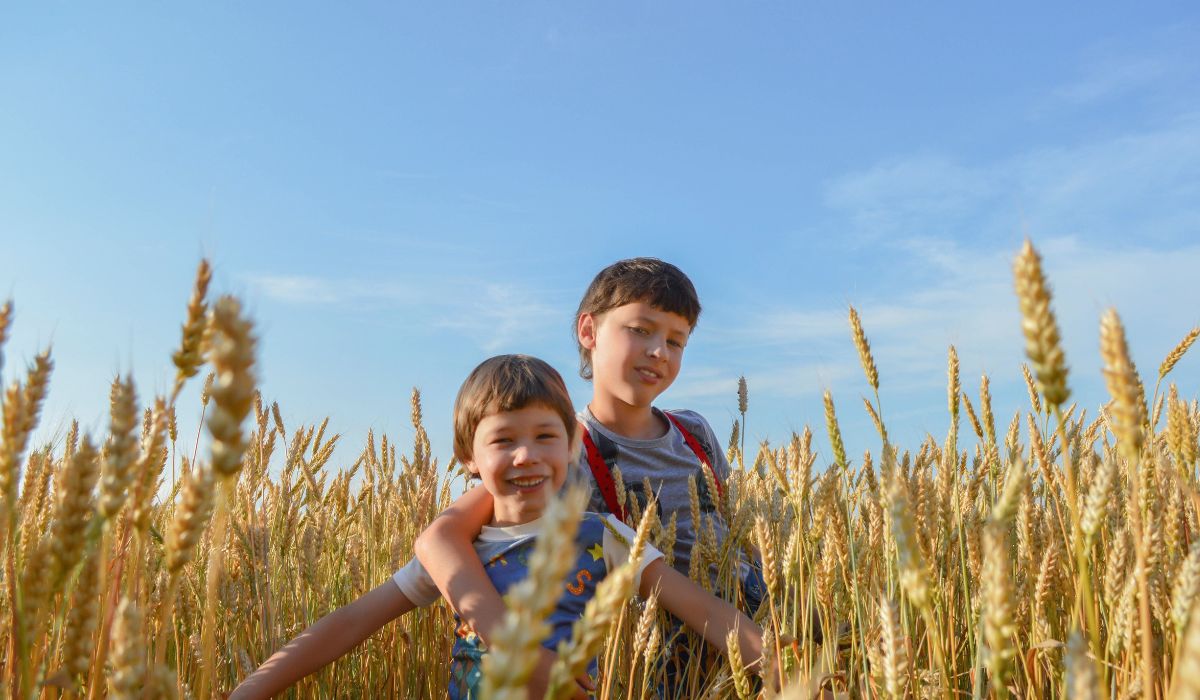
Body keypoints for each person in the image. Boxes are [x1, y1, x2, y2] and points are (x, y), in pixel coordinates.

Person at [231, 354, 761, 699]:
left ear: (572, 447)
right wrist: (249, 690)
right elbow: (351, 622)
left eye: (546, 437)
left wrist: (783, 667)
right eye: (504, 440)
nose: (526, 455)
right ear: (469, 457)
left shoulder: (604, 535)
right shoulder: (460, 557)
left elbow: (705, 611)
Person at [416, 259, 772, 695]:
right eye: (640, 330)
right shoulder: (559, 453)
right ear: (589, 331)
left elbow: (734, 528)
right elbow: (441, 538)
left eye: (675, 341)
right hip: (657, 662)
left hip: (747, 634)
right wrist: (510, 644)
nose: (659, 351)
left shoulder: (694, 431)